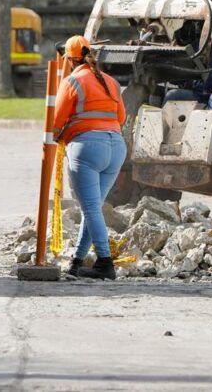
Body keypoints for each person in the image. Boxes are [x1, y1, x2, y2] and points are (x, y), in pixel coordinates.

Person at [53, 35, 128, 280]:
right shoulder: (111, 82)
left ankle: (105, 263)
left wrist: (60, 136)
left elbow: (56, 123)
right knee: (91, 208)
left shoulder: (72, 82)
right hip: (116, 147)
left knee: (91, 208)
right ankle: (77, 262)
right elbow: (122, 119)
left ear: (71, 59)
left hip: (86, 148)